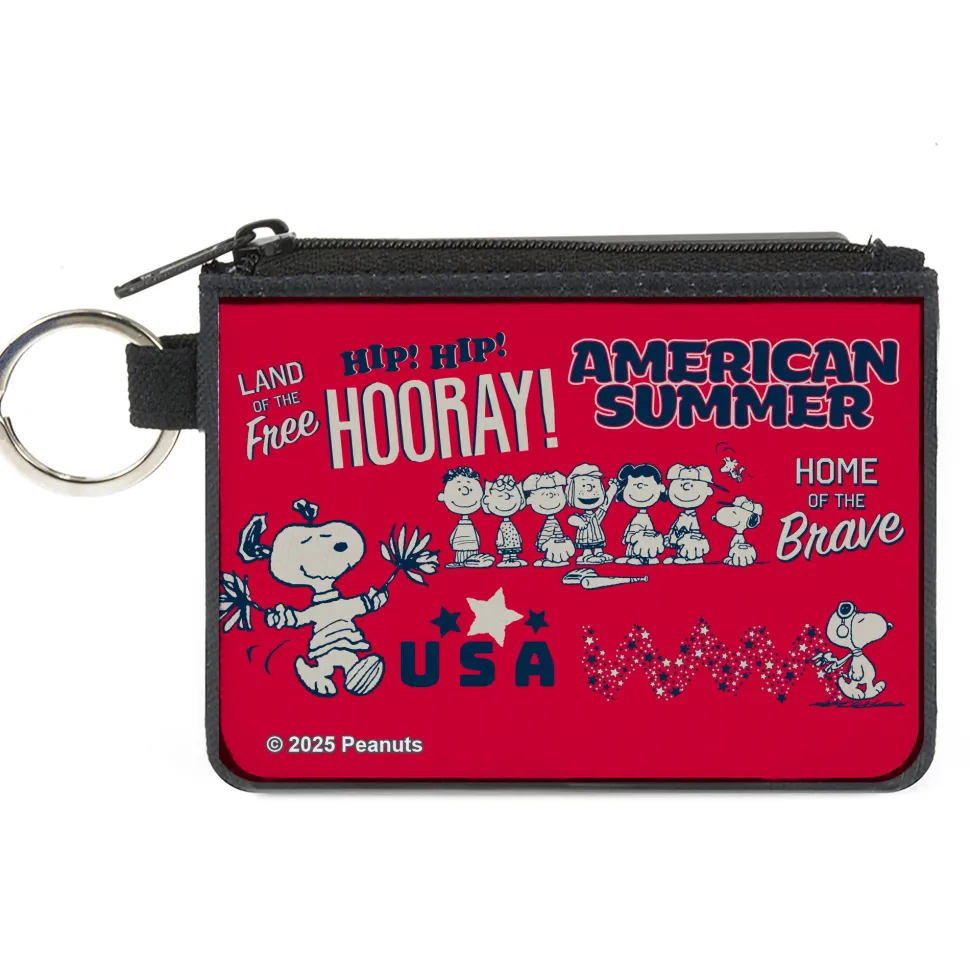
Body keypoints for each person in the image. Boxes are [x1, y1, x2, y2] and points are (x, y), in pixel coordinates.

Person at [437, 467, 495, 568]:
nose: (464, 492)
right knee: (460, 554)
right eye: (458, 489)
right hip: (459, 545)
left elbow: (475, 535)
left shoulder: (470, 525)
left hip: (472, 545)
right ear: (442, 496)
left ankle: (470, 562)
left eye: (471, 489)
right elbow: (453, 536)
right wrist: (453, 541)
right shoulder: (460, 526)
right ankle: (459, 562)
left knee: (471, 554)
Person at [614, 463, 667, 565]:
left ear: (660, 488)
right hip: (634, 540)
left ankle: (643, 558)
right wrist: (628, 537)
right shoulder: (638, 517)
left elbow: (649, 531)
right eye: (635, 486)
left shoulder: (645, 518)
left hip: (641, 541)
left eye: (644, 486)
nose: (640, 490)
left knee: (642, 546)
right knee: (633, 548)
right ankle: (633, 557)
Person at [566, 463, 618, 565]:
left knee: (598, 547)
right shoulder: (581, 517)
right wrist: (579, 522)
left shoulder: (596, 515)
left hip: (598, 537)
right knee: (587, 548)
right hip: (585, 537)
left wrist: (612, 489)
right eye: (583, 486)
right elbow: (571, 519)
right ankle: (586, 555)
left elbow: (605, 505)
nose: (589, 489)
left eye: (594, 486)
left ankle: (599, 553)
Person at [663, 464, 715, 565]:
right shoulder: (682, 516)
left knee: (689, 544)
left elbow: (694, 531)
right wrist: (670, 536)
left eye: (692, 485)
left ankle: (690, 558)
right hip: (680, 536)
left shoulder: (692, 518)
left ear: (708, 491)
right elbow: (676, 526)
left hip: (690, 540)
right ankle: (679, 556)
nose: (686, 487)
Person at [523, 470, 575, 567]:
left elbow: (553, 533)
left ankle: (554, 560)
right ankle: (549, 559)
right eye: (543, 495)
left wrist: (543, 543)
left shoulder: (553, 522)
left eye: (555, 494)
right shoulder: (549, 522)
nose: (550, 498)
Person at [482, 474, 528, 567]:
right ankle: (506, 560)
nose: (506, 498)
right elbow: (500, 533)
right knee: (506, 552)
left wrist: (519, 539)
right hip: (505, 542)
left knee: (514, 551)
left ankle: (514, 559)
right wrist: (500, 541)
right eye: (499, 496)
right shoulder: (502, 525)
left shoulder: (511, 524)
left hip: (514, 541)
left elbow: (515, 532)